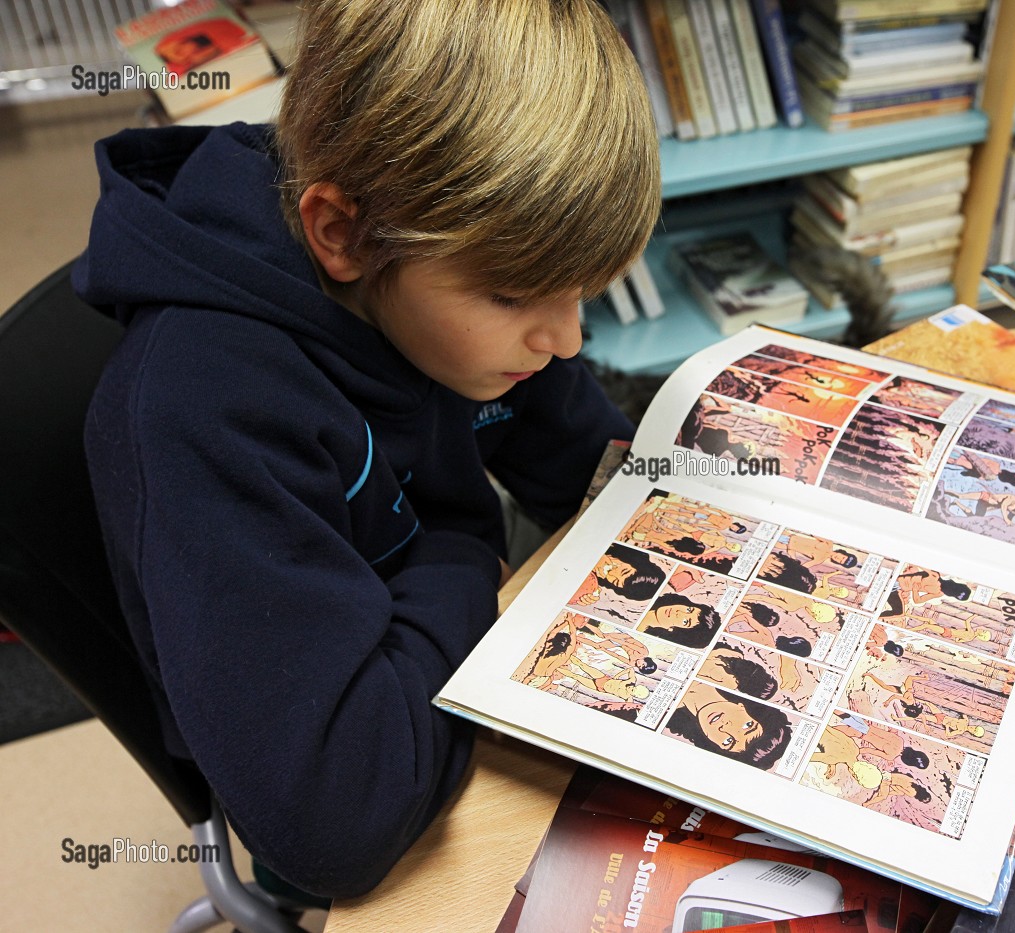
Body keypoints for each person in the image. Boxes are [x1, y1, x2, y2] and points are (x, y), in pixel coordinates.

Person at [75, 0, 660, 899]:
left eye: (581, 291)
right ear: (341, 234)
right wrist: (467, 548)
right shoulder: (203, 406)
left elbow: (594, 463)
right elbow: (334, 826)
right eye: (519, 295)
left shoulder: (450, 282)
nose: (570, 338)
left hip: (433, 664)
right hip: (334, 765)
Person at [664, 683, 792, 769]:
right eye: (747, 725)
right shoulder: (726, 667)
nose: (725, 727)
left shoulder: (666, 714)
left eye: (728, 742)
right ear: (744, 708)